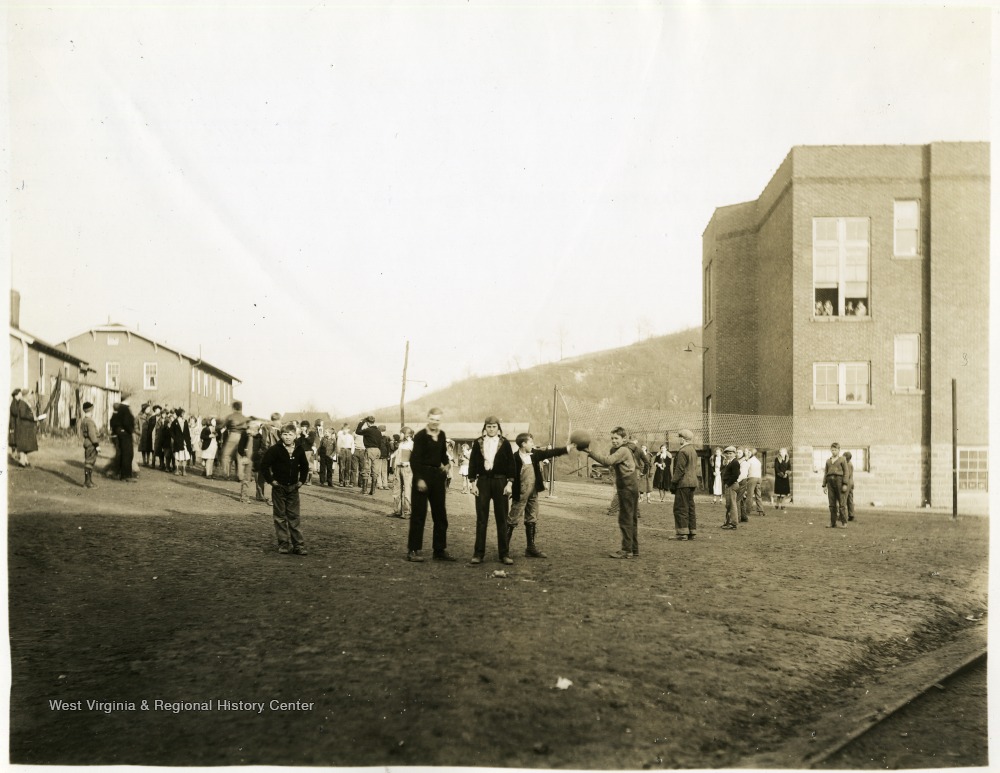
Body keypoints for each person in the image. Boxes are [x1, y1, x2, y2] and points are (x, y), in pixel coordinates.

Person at [507, 433, 573, 559]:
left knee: (531, 519)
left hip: (533, 492)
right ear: (523, 444)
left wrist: (566, 449)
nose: (533, 444)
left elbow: (550, 453)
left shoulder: (535, 455)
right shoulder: (514, 458)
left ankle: (530, 548)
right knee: (512, 520)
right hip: (520, 494)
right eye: (530, 442)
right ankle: (504, 550)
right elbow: (509, 474)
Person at [406, 408, 456, 562]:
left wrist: (447, 464)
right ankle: (413, 550)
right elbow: (414, 459)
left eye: (438, 419)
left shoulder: (441, 435)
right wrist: (419, 479)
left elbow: (442, 454)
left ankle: (439, 550)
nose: (435, 422)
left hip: (437, 477)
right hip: (422, 476)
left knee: (440, 515)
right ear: (428, 418)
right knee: (419, 514)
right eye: (432, 419)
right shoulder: (421, 436)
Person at [468, 415, 516, 565]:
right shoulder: (478, 442)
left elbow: (511, 465)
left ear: (498, 428)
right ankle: (478, 554)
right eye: (489, 426)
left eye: (494, 426)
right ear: (485, 428)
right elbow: (473, 463)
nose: (491, 429)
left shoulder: (505, 443)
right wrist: (472, 483)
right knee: (482, 518)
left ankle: (504, 554)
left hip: (500, 482)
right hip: (482, 482)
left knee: (501, 518)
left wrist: (509, 484)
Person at [585, 426, 639, 559]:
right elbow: (610, 463)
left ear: (624, 439)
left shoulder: (623, 450)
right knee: (631, 519)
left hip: (627, 487)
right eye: (612, 438)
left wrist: (590, 452)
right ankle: (633, 549)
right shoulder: (618, 450)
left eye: (617, 438)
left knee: (625, 519)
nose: (614, 441)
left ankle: (627, 550)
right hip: (629, 487)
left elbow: (607, 461)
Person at [259, 422, 310, 555]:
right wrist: (271, 481)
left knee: (294, 517)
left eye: (290, 435)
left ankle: (298, 545)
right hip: (279, 488)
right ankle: (283, 544)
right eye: (285, 434)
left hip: (293, 488)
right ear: (280, 435)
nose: (287, 437)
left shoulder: (299, 449)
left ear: (295, 436)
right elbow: (264, 466)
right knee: (280, 517)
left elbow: (304, 466)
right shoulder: (274, 449)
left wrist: (301, 481)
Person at [670, 429, 699, 540]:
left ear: (683, 438)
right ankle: (692, 531)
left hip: (683, 483)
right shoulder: (693, 450)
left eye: (680, 437)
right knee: (690, 507)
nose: (679, 440)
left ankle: (682, 533)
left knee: (680, 507)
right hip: (692, 483)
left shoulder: (682, 451)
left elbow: (680, 470)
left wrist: (673, 482)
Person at [388, 426, 414, 518]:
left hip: (407, 469)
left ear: (406, 434)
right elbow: (398, 453)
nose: (400, 435)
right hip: (398, 468)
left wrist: (408, 463)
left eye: (401, 433)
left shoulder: (412, 444)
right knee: (396, 490)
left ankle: (407, 512)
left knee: (407, 491)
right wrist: (392, 456)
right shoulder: (401, 444)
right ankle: (397, 511)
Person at [218, 401, 248, 481]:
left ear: (233, 407)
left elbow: (222, 426)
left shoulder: (230, 416)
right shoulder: (244, 417)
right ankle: (240, 476)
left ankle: (226, 474)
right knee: (240, 455)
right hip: (242, 436)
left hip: (232, 435)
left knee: (226, 455)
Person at [11, 389, 40, 468]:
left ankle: (24, 461)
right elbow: (23, 414)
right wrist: (33, 418)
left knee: (25, 445)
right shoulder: (23, 403)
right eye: (30, 394)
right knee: (23, 445)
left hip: (25, 427)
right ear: (26, 395)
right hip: (23, 427)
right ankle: (22, 461)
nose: (31, 396)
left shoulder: (24, 403)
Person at [822, 442, 848, 528]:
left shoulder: (842, 460)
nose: (834, 451)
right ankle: (833, 522)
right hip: (830, 483)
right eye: (832, 450)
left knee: (842, 503)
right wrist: (824, 485)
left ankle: (844, 522)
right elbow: (825, 473)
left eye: (835, 450)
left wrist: (845, 483)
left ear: (839, 450)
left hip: (839, 482)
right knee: (831, 504)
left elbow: (846, 472)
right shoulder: (828, 461)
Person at [356, 416, 383, 495]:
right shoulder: (378, 431)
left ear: (367, 422)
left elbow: (357, 431)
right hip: (377, 450)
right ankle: (373, 490)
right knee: (375, 470)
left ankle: (364, 490)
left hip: (369, 450)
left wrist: (361, 422)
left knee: (366, 469)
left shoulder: (368, 430)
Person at [237, 421, 262, 503]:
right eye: (252, 429)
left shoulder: (259, 437)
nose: (253, 431)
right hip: (248, 459)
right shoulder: (245, 435)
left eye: (256, 429)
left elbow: (261, 448)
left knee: (259, 479)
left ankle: (260, 495)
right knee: (247, 478)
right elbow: (240, 448)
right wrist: (244, 455)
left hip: (257, 459)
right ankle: (244, 497)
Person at [720, 446, 741, 529]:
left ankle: (733, 523)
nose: (728, 455)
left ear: (734, 454)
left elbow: (735, 475)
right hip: (729, 484)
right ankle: (728, 522)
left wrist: (728, 483)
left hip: (732, 485)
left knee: (732, 504)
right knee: (728, 504)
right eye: (727, 453)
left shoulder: (735, 462)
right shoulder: (729, 462)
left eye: (730, 453)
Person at [80, 401, 100, 489]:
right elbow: (92, 434)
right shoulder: (90, 422)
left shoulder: (84, 420)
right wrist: (96, 445)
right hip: (91, 443)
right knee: (90, 462)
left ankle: (88, 481)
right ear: (90, 411)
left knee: (88, 461)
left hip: (87, 442)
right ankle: (88, 482)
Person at [115, 402, 137, 482]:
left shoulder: (119, 413)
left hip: (121, 436)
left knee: (123, 455)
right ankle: (126, 475)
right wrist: (131, 431)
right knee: (127, 455)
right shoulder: (126, 412)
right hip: (126, 437)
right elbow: (128, 424)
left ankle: (122, 474)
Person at [170, 408, 194, 477]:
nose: (184, 415)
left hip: (185, 442)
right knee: (177, 456)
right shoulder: (175, 422)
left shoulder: (185, 421)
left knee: (185, 456)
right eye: (183, 413)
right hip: (178, 442)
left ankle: (184, 470)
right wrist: (175, 438)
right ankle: (177, 469)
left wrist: (188, 440)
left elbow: (187, 432)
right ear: (180, 414)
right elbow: (171, 431)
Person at [745, 448, 765, 516]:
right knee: (758, 495)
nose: (748, 454)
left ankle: (747, 511)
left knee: (749, 495)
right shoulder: (758, 461)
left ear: (752, 454)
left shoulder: (749, 461)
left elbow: (746, 471)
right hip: (759, 478)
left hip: (752, 478)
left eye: (749, 453)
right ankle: (761, 510)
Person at [336, 422, 355, 487]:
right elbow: (338, 445)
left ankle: (346, 481)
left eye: (346, 429)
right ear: (342, 429)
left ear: (349, 430)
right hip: (342, 450)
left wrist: (351, 452)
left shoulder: (350, 436)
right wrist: (339, 453)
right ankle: (341, 481)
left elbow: (353, 444)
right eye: (344, 429)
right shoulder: (340, 436)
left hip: (348, 451)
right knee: (342, 466)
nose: (345, 430)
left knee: (348, 467)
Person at [843, 451, 856, 522]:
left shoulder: (847, 464)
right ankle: (851, 514)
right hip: (851, 483)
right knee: (850, 499)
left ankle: (843, 515)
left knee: (844, 499)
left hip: (847, 483)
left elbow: (846, 475)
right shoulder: (850, 464)